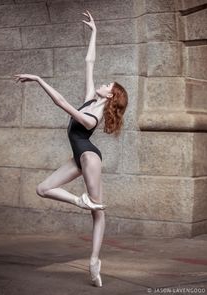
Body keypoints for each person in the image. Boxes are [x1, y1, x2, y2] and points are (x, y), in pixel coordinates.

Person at [14, 10, 128, 288]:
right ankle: (80, 201)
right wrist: (94, 33)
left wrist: (40, 80)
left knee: (98, 212)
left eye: (107, 85)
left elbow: (62, 103)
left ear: (111, 95)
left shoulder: (93, 117)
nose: (102, 83)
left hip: (89, 158)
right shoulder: (91, 99)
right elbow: (89, 63)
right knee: (43, 188)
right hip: (79, 156)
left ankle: (94, 260)